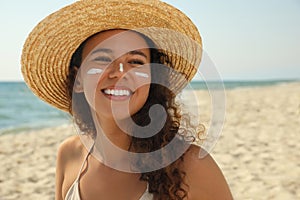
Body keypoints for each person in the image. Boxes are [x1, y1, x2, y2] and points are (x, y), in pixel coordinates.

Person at [21, 0, 232, 199]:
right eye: (103, 59)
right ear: (78, 79)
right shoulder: (68, 155)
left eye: (135, 61)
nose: (119, 73)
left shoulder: (190, 166)